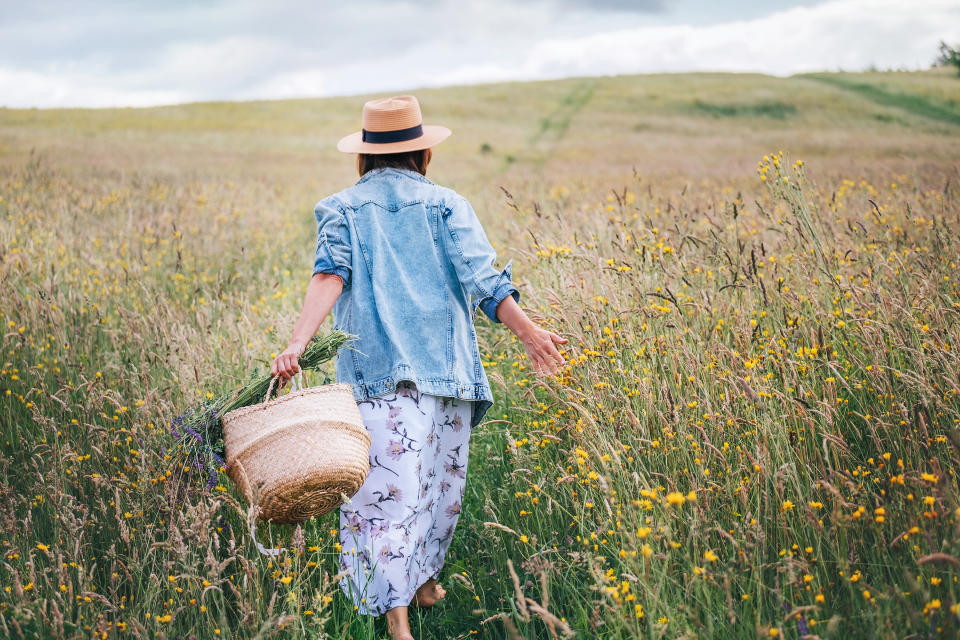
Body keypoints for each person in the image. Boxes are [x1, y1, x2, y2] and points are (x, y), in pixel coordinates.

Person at [271, 95, 566, 640]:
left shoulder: (341, 207)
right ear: (423, 153)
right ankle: (403, 620)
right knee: (438, 489)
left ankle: (415, 593)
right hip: (446, 376)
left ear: (363, 156)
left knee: (384, 498)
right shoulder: (448, 204)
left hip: (377, 380)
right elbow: (485, 282)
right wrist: (531, 333)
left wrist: (296, 345)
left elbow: (329, 276)